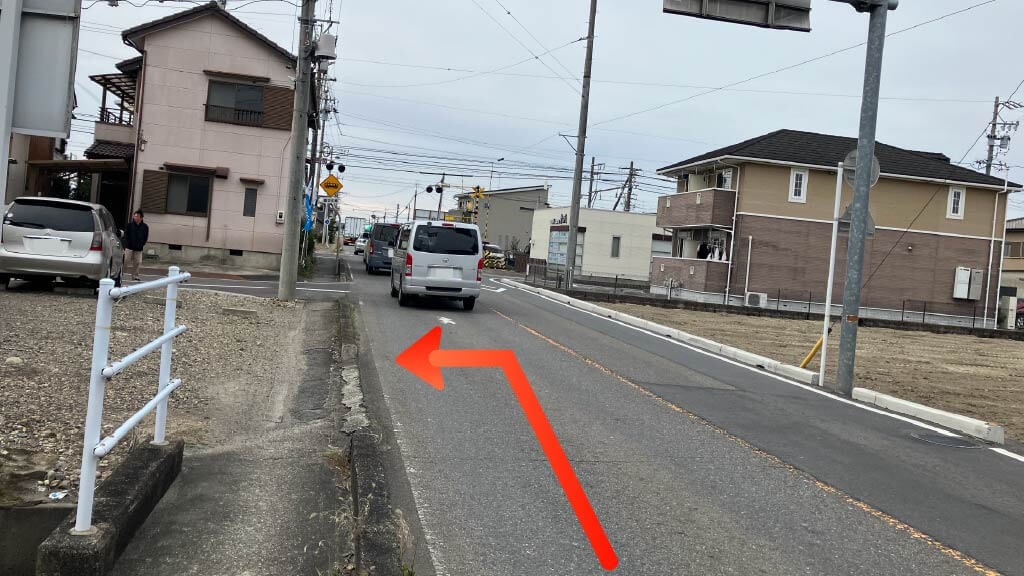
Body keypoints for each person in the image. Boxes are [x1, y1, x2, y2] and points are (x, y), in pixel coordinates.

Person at [123, 209, 149, 281]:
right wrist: (127, 243)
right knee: (126, 260)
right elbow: (126, 235)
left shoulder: (145, 227)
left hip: (139, 248)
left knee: (137, 262)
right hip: (129, 247)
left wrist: (142, 244)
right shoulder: (130, 225)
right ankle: (121, 273)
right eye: (134, 216)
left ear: (141, 217)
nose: (135, 218)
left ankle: (135, 276)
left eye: (136, 216)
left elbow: (145, 237)